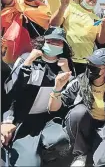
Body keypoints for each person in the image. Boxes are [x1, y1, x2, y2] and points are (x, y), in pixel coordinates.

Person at [1, 27, 73, 167]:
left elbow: (71, 94)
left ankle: (47, 155)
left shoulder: (65, 64)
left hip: (48, 119)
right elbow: (11, 91)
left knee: (61, 140)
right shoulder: (27, 58)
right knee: (28, 163)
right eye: (51, 41)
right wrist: (6, 120)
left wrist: (67, 73)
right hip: (24, 119)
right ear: (43, 42)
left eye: (59, 42)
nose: (55, 44)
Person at [48, 48, 105, 167]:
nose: (90, 68)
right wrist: (57, 89)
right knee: (79, 111)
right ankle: (80, 154)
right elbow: (54, 109)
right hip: (83, 123)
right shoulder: (79, 81)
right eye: (90, 64)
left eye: (95, 66)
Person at [50, 0, 103, 75]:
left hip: (86, 62)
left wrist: (104, 26)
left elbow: (100, 40)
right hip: (67, 59)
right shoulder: (70, 7)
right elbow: (54, 23)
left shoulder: (97, 18)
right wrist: (62, 7)